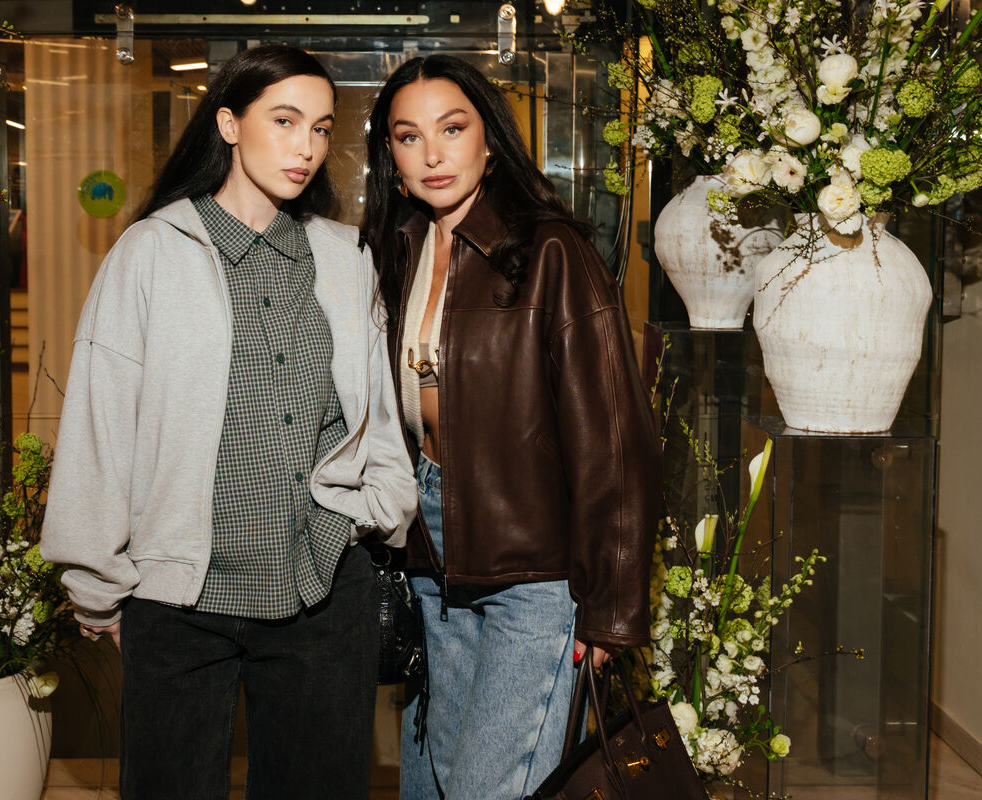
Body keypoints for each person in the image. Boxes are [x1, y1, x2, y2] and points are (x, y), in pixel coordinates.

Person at [40, 44, 417, 800]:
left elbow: (379, 410)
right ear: (229, 124)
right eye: (284, 121)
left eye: (321, 128)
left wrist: (376, 511)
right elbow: (100, 424)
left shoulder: (345, 256)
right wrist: (97, 582)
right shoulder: (151, 252)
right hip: (179, 600)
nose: (306, 147)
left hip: (320, 585)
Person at [362, 55, 661, 799]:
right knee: (438, 782)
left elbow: (613, 438)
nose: (432, 155)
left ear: (489, 140)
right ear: (391, 155)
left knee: (487, 788)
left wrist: (611, 606)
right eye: (409, 136)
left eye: (452, 128)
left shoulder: (551, 250)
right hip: (430, 551)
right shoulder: (396, 250)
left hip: (534, 559)